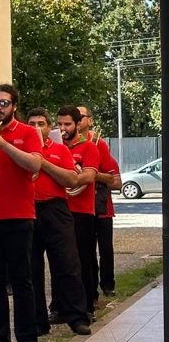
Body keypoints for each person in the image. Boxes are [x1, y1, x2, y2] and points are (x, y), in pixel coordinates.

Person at [0, 84, 42, 342]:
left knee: (22, 279)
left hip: (19, 216)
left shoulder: (28, 133)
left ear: (14, 107)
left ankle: (27, 338)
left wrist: (4, 144)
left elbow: (34, 165)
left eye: (4, 103)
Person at [26, 108, 91, 337]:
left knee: (67, 265)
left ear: (48, 127)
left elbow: (71, 180)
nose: (36, 128)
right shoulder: (20, 151)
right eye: (32, 123)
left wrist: (42, 163)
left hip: (55, 209)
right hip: (28, 211)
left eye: (41, 123)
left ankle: (77, 317)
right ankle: (37, 322)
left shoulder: (59, 149)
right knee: (30, 269)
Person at [56, 105, 100, 318]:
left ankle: (87, 306)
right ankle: (60, 306)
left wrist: (70, 178)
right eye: (60, 124)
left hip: (82, 210)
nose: (63, 128)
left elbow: (89, 176)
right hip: (59, 208)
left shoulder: (88, 147)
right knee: (59, 260)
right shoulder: (54, 147)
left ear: (77, 124)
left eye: (67, 124)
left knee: (83, 259)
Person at [77, 106, 121, 298]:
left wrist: (90, 174)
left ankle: (108, 284)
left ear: (90, 121)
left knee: (104, 248)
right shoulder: (63, 143)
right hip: (80, 206)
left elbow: (115, 180)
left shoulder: (99, 144)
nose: (77, 120)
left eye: (81, 117)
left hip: (101, 206)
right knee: (85, 250)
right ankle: (90, 288)